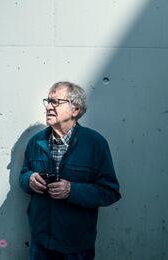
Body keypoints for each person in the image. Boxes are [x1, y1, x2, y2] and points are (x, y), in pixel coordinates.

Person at [19, 81, 121, 260]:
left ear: (75, 110)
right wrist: (29, 179)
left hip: (76, 248)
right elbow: (23, 175)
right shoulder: (35, 142)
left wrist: (72, 190)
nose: (49, 107)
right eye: (47, 101)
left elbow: (109, 192)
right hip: (40, 243)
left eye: (55, 102)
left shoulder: (95, 144)